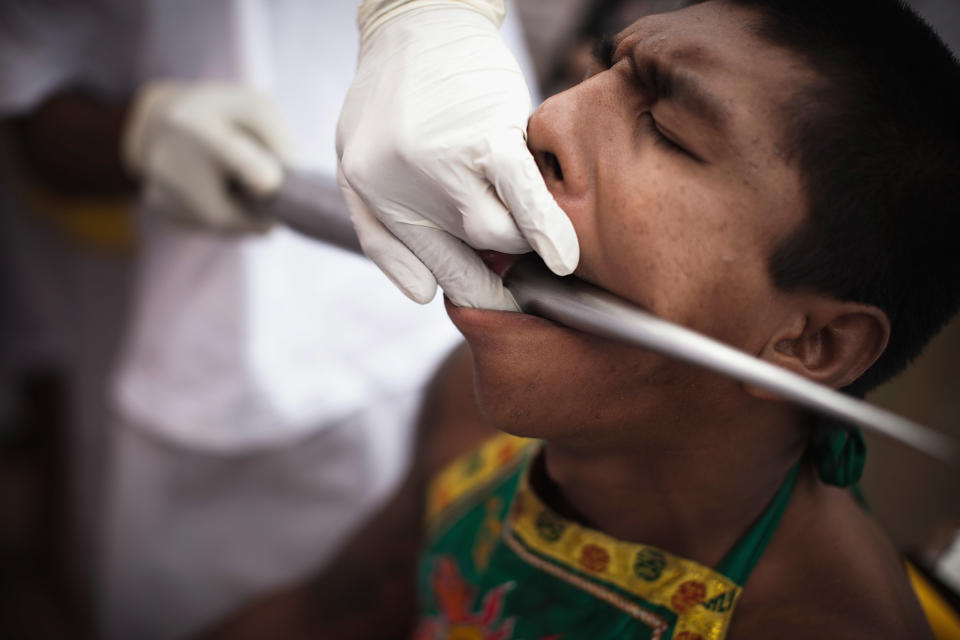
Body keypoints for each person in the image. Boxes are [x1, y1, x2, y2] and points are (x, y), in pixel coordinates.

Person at [200, 0, 960, 638]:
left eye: (665, 130)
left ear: (812, 341)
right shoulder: (471, 410)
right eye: (595, 74)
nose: (545, 122)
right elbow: (331, 614)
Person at [0, 2, 548, 638]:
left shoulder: (482, 398)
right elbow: (30, 72)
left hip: (454, 303)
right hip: (209, 340)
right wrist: (138, 135)